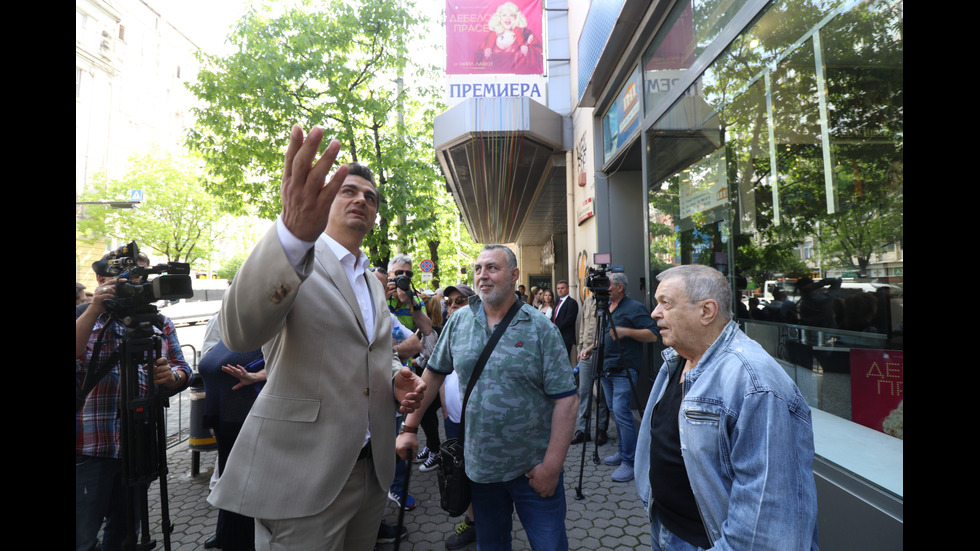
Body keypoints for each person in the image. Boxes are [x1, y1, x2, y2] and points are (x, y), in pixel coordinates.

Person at [208, 125, 425, 551]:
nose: (361, 199)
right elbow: (240, 330)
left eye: (370, 196)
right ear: (326, 199)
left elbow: (371, 351)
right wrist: (291, 234)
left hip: (372, 470)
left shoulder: (372, 281)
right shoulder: (294, 257)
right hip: (303, 476)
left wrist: (395, 374)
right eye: (348, 191)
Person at [397, 245, 578, 551]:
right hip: (480, 470)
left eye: (492, 268)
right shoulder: (459, 322)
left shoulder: (540, 328)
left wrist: (551, 467)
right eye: (478, 268)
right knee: (491, 546)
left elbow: (567, 400)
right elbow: (433, 375)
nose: (483, 275)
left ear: (514, 275)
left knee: (550, 545)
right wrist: (410, 428)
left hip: (532, 469)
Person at [636, 265, 819, 550]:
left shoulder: (755, 382)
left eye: (666, 304)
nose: (654, 313)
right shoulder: (677, 358)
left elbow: (764, 515)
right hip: (667, 529)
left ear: (707, 311)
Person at [76, 253, 193, 551]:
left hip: (140, 444)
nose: (137, 284)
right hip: (90, 448)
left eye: (142, 278)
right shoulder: (84, 315)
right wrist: (95, 308)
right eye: (128, 278)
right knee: (82, 534)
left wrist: (173, 377)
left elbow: (184, 368)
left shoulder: (159, 322)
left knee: (126, 531)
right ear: (103, 280)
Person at [582, 272, 658, 483]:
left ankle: (631, 462)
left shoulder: (633, 308)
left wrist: (626, 331)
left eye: (608, 285)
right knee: (616, 411)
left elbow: (653, 334)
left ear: (619, 288)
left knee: (623, 413)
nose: (604, 289)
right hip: (606, 368)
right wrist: (590, 347)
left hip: (624, 369)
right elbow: (604, 335)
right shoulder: (606, 308)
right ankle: (623, 452)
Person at [198, 339, 266, 551]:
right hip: (226, 416)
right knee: (232, 483)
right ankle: (228, 535)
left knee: (243, 488)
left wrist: (257, 375)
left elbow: (290, 362)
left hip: (249, 416)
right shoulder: (232, 320)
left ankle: (238, 538)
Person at [570, 292, 610, 446]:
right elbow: (583, 326)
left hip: (602, 353)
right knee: (584, 391)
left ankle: (601, 429)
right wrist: (581, 347)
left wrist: (591, 348)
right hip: (585, 353)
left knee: (601, 394)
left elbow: (606, 331)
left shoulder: (608, 301)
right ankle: (583, 430)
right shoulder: (587, 301)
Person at [476, 1, 544, 74]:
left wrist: (529, 52)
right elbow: (477, 62)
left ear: (516, 18)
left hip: (520, 80)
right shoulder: (491, 36)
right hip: (494, 80)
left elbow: (541, 57)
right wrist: (484, 55)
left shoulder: (526, 34)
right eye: (504, 15)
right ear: (499, 18)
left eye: (511, 15)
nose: (508, 18)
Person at [551, 280, 579, 357]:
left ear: (568, 289)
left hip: (565, 338)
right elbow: (554, 317)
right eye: (558, 288)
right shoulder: (557, 301)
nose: (560, 290)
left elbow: (569, 320)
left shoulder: (572, 302)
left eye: (562, 288)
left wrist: (555, 327)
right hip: (555, 337)